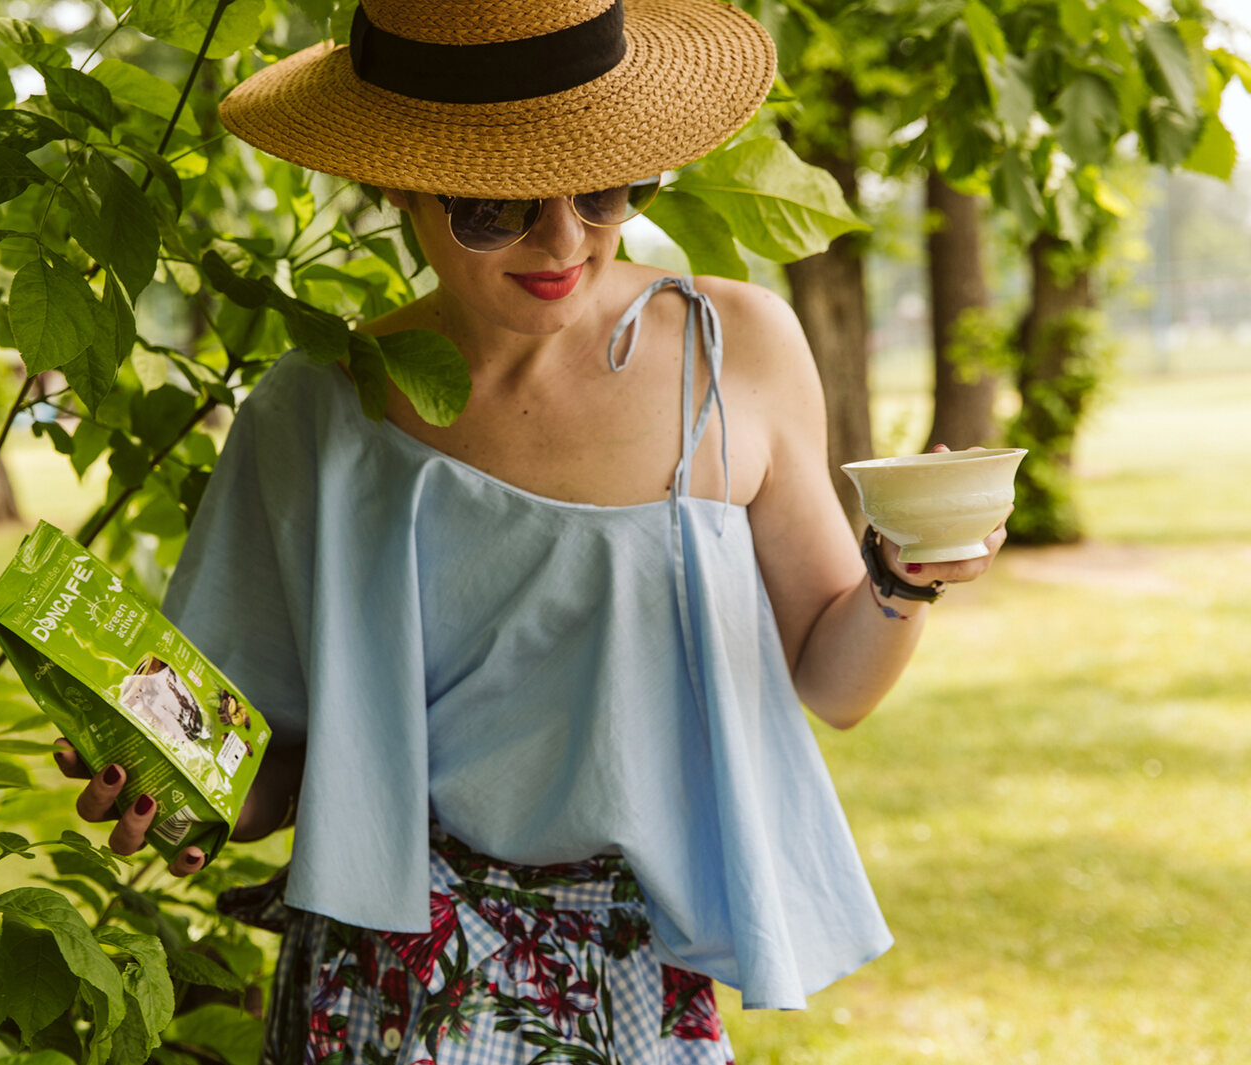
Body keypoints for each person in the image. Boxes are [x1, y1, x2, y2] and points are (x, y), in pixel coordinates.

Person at [53, 1, 1010, 1061]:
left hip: (634, 968)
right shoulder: (316, 410)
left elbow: (834, 685)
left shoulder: (731, 351)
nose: (564, 241)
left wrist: (901, 578)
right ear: (397, 182)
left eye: (604, 190)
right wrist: (170, 790)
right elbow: (272, 769)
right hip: (385, 984)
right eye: (493, 207)